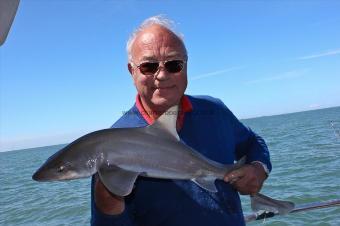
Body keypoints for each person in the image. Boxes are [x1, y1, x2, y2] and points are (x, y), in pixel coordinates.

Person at [91, 15, 271, 226]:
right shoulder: (113, 144)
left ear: (186, 66)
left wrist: (258, 168)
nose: (162, 75)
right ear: (132, 71)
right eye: (149, 66)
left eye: (174, 64)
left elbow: (252, 142)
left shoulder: (214, 110)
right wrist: (108, 204)